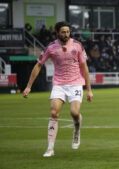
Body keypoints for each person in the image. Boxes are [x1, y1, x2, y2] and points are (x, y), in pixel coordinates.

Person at [23, 21, 93, 157]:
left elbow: (84, 68)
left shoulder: (77, 46)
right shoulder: (51, 48)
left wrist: (89, 89)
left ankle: (77, 131)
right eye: (63, 32)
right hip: (59, 84)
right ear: (57, 33)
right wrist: (28, 86)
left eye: (68, 32)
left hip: (75, 83)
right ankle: (50, 148)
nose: (66, 34)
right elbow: (38, 65)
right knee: (54, 113)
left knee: (74, 113)